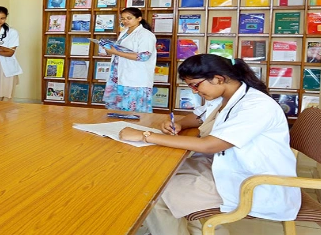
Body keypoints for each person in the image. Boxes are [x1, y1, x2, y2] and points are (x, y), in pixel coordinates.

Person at [119, 54, 301, 235]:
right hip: (227, 168)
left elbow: (210, 145)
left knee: (151, 193)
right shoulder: (228, 97)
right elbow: (200, 117)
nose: (194, 91)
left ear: (218, 79)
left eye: (195, 85)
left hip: (254, 182)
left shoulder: (256, 105)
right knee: (155, 176)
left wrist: (145, 136)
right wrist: (180, 124)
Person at [102, 7, 157, 112]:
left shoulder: (145, 35)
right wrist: (109, 49)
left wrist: (116, 52)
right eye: (122, 19)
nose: (125, 21)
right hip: (119, 77)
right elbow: (119, 50)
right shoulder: (124, 32)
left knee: (135, 112)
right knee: (117, 111)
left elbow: (143, 56)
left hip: (135, 79)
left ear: (139, 18)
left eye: (129, 18)